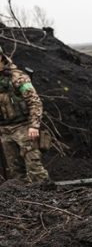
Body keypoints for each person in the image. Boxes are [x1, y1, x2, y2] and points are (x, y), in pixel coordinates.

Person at [0, 47, 49, 183]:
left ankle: (47, 197)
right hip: (4, 130)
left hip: (23, 127)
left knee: (35, 168)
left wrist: (34, 125)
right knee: (15, 172)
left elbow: (34, 101)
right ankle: (24, 202)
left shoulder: (17, 77)